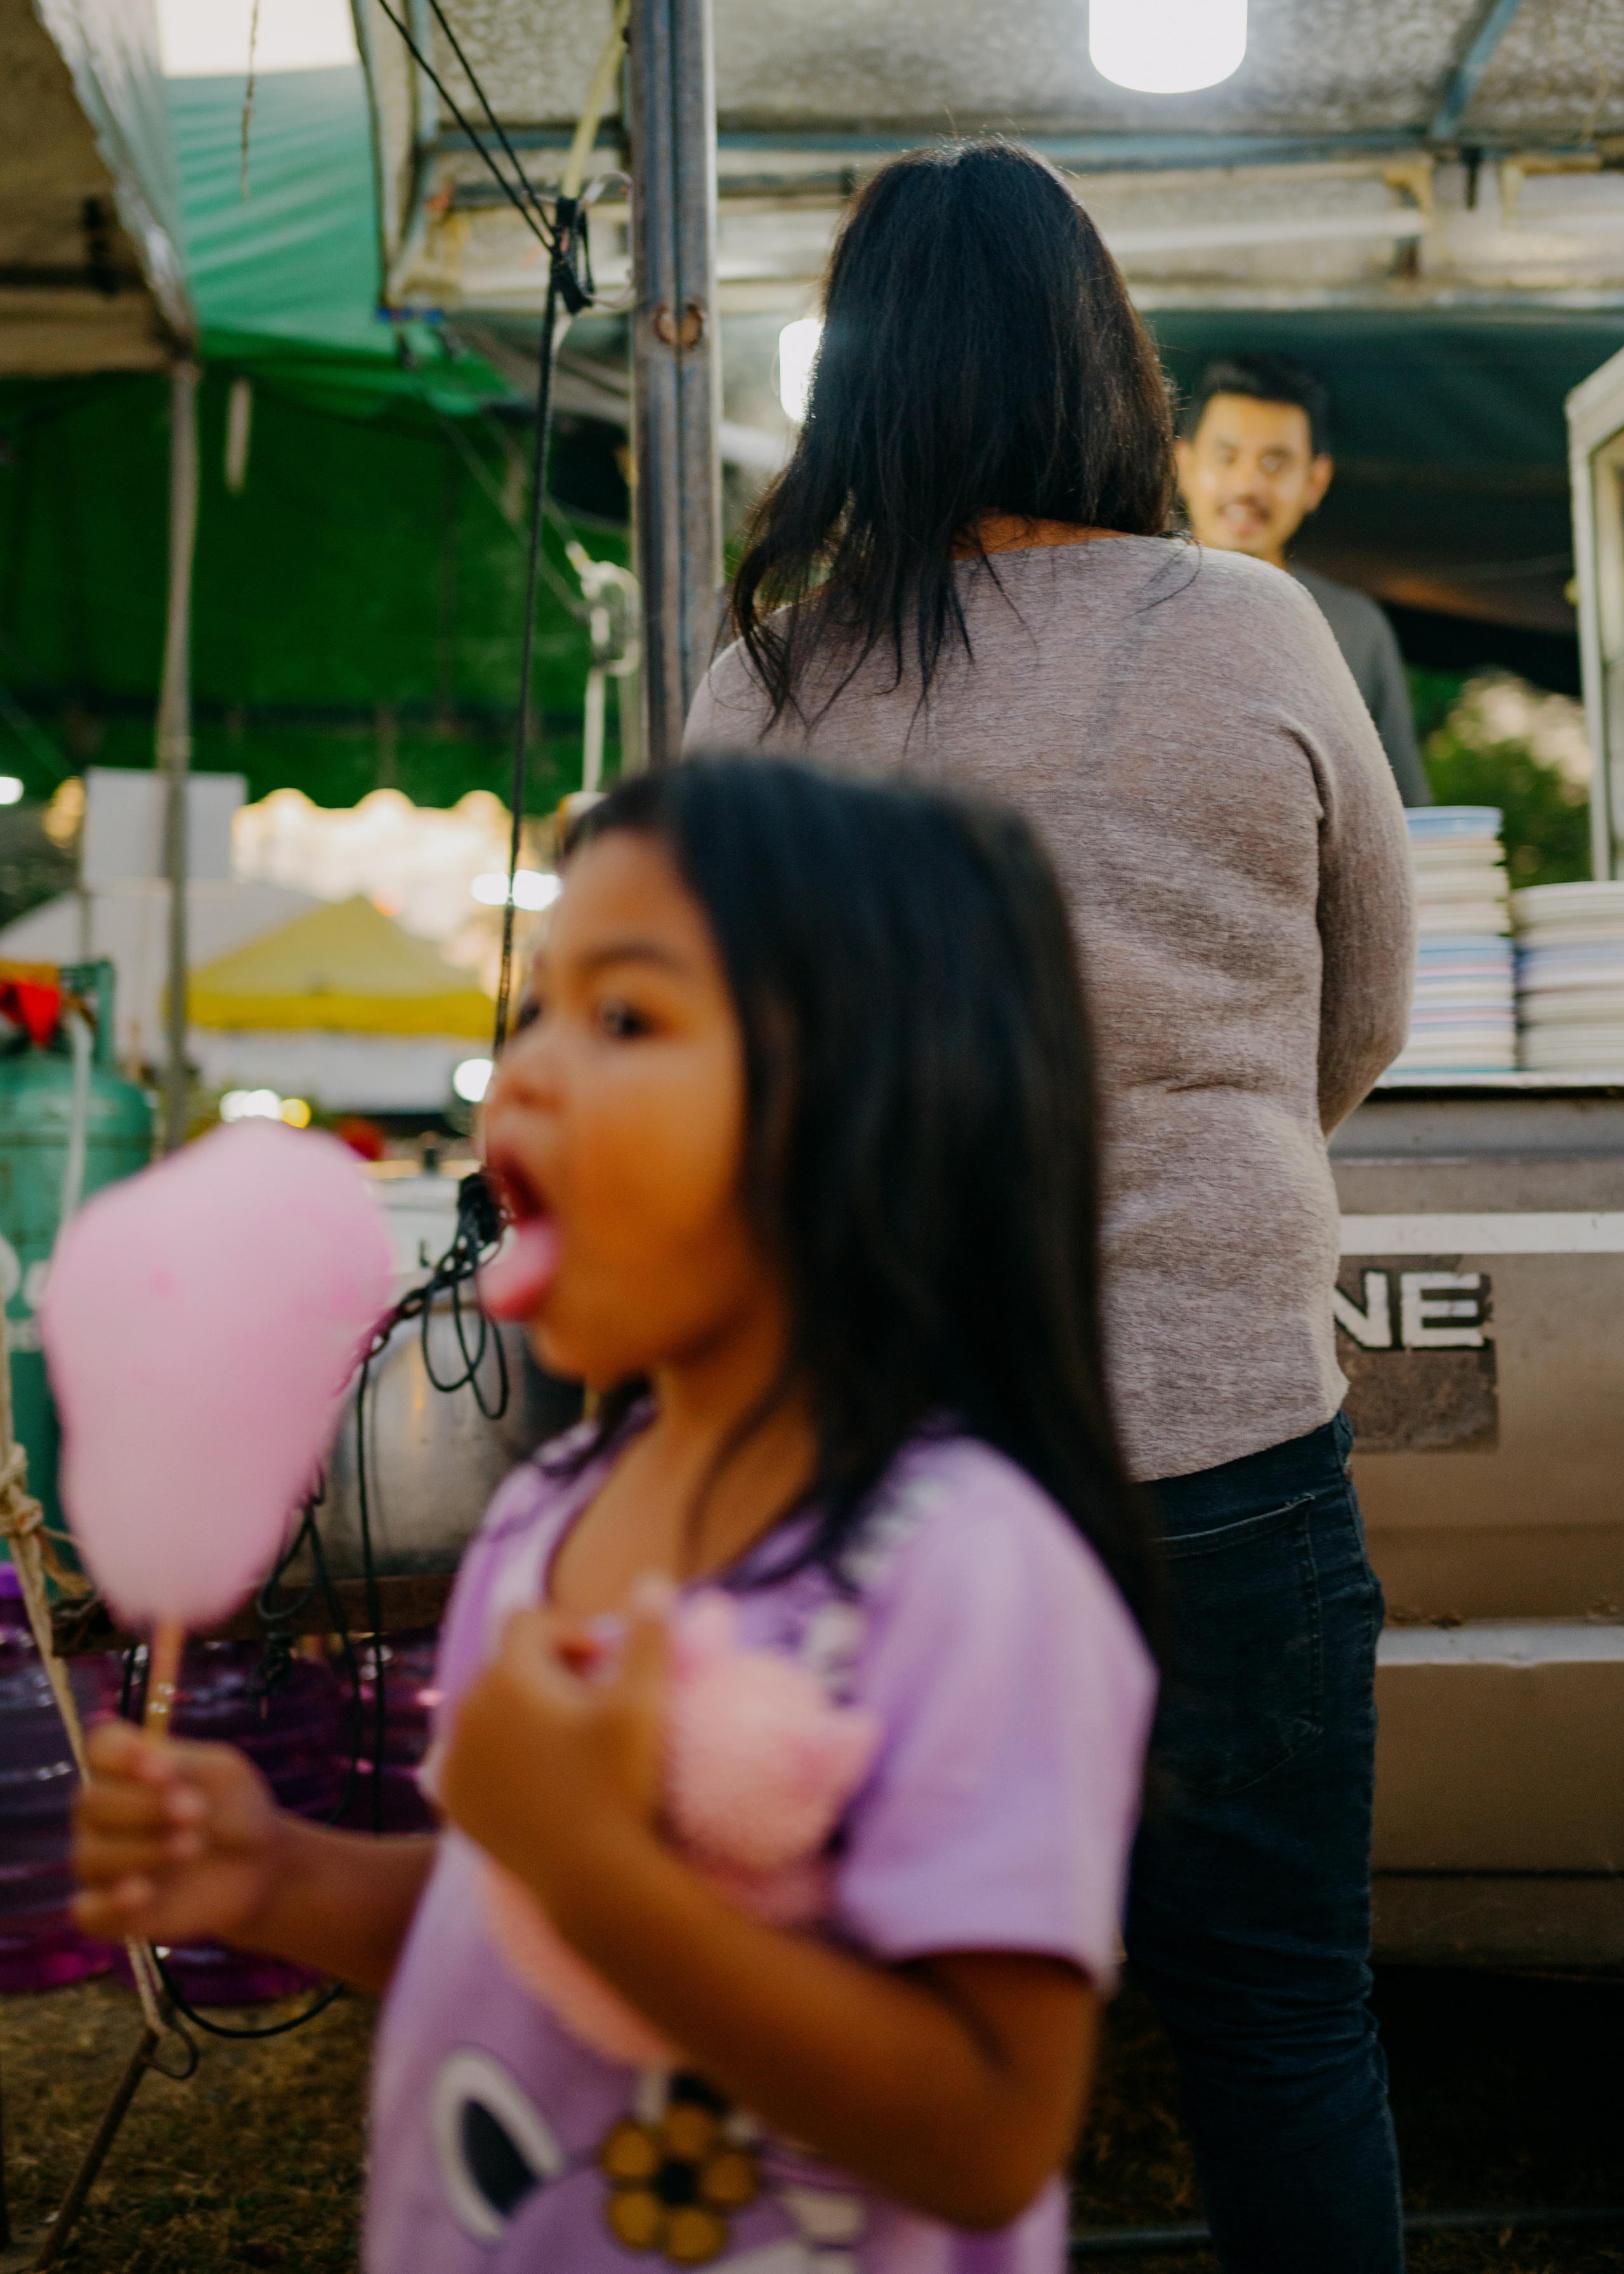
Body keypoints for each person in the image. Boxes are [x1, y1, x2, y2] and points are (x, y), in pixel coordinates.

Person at [73, 757, 1161, 2274]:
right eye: (533, 1014)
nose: (520, 1075)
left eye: (624, 1018)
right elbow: (493, 1913)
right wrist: (277, 1876)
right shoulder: (549, 1513)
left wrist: (600, 1868)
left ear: (872, 1108)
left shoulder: (971, 1574)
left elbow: (986, 2136)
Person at [687, 139, 1415, 2274]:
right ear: (1108, 360)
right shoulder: (1252, 626)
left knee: (888, 2031)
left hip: (869, 1469)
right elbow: (1360, 1011)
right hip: (1223, 1453)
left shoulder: (768, 684)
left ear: (868, 388)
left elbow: (695, 1075)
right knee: (1284, 2026)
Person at [1175, 352, 1431, 805]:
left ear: (1316, 481)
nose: (1247, 486)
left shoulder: (1354, 631)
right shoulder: (1129, 607)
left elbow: (1403, 814)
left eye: (1275, 463)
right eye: (1226, 457)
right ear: (1184, 465)